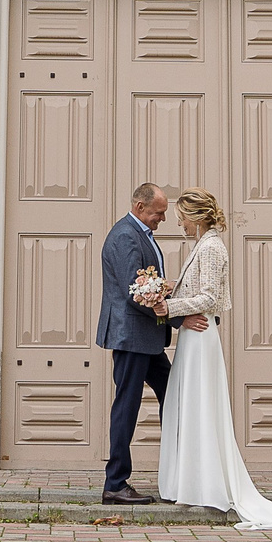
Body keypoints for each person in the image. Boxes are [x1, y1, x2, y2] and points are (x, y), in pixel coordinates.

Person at [154, 188, 272, 530]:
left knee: (201, 405)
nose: (180, 225)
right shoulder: (203, 246)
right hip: (193, 337)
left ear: (197, 218)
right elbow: (198, 288)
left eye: (182, 219)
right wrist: (172, 287)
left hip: (202, 337)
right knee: (188, 405)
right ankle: (189, 480)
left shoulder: (213, 247)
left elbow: (209, 296)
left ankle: (205, 483)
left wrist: (168, 307)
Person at [95, 181, 204, 504]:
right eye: (159, 213)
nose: (163, 219)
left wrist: (168, 290)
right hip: (131, 336)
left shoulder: (139, 234)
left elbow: (146, 285)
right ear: (140, 207)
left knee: (173, 395)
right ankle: (115, 483)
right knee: (126, 407)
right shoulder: (126, 236)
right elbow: (134, 292)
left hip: (146, 338)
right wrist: (178, 317)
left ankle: (179, 472)